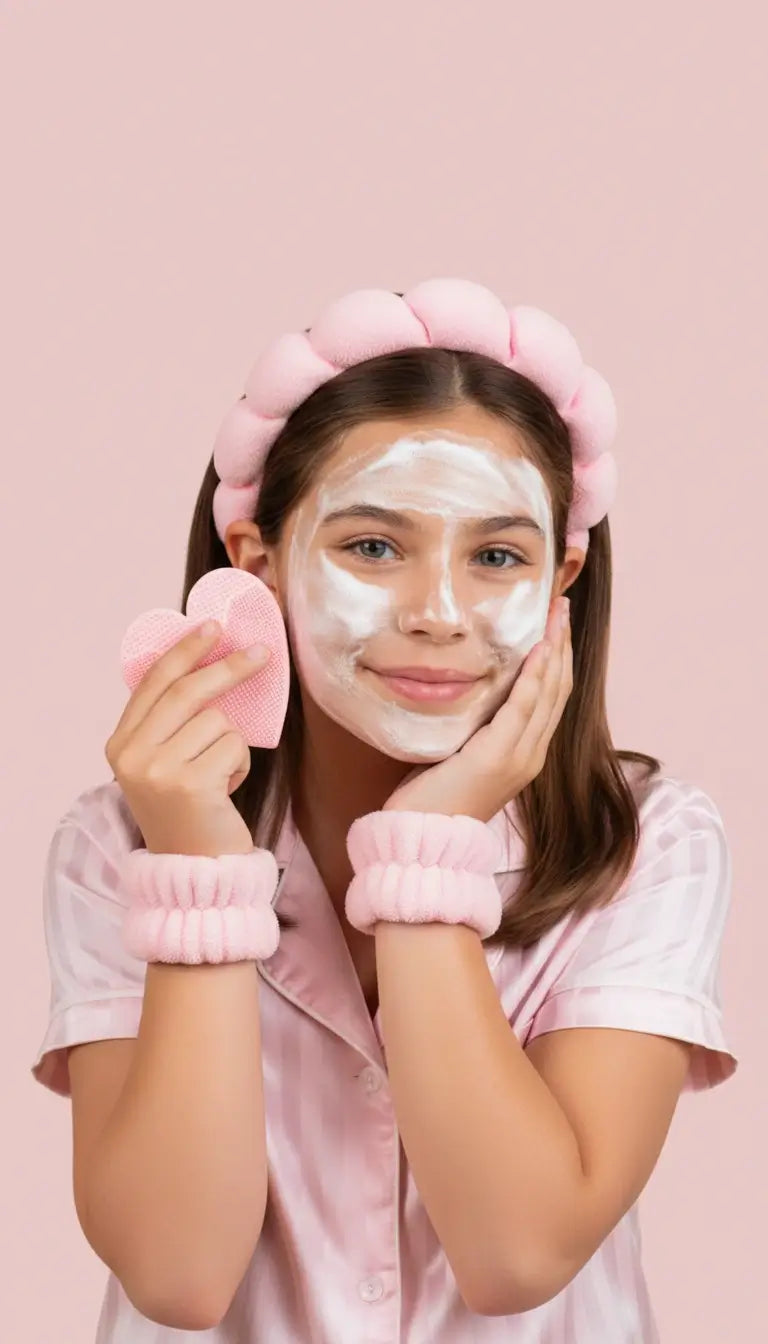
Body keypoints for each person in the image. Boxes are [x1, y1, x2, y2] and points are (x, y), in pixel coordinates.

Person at [31, 278, 738, 1342]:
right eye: (372, 547)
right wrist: (198, 876)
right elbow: (177, 1277)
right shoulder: (118, 842)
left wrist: (429, 859)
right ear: (256, 563)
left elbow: (519, 1254)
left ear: (562, 582)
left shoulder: (649, 844)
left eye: (496, 556)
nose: (438, 614)